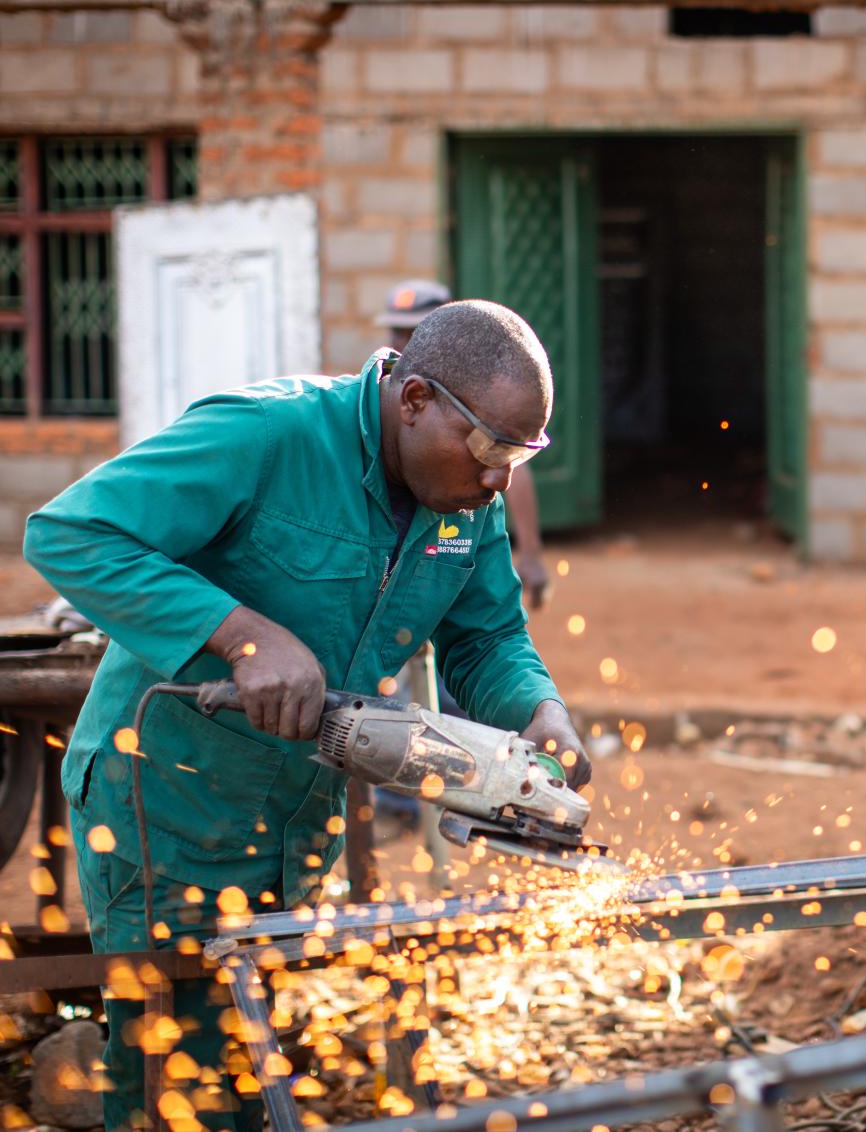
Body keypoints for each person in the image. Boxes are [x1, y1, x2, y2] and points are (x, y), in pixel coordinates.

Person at [23, 300, 589, 1131]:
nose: (500, 476)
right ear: (416, 398)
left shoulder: (463, 499)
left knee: (239, 1047)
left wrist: (542, 713)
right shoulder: (264, 436)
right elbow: (72, 533)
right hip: (168, 803)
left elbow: (488, 634)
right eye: (489, 447)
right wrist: (243, 635)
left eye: (518, 453)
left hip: (293, 820)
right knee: (172, 1071)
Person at [377, 281, 551, 609]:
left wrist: (530, 553)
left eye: (414, 331)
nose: (404, 342)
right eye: (397, 332)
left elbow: (506, 468)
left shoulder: (479, 404)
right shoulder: (381, 396)